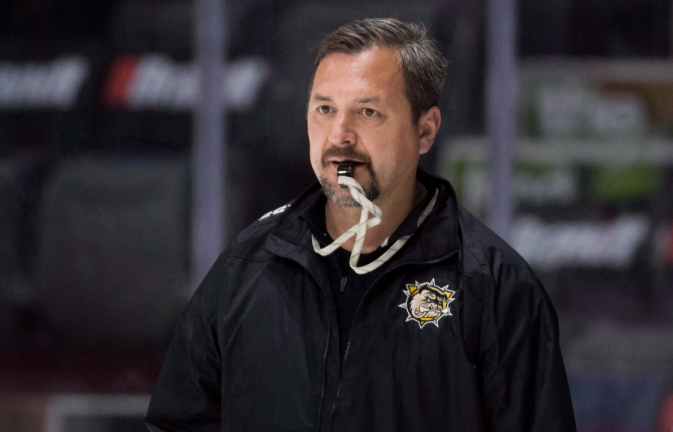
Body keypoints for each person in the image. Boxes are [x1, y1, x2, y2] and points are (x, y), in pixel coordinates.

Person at [146, 18, 577, 432]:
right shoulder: (247, 267)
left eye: (368, 112)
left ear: (425, 130)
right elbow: (177, 421)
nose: (339, 135)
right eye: (324, 109)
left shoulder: (495, 287)